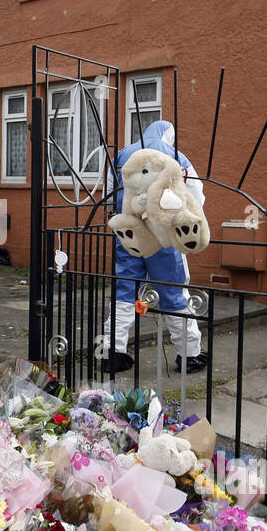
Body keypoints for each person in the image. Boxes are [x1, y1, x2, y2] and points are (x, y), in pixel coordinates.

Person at [102, 119, 209, 374]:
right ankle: (189, 354)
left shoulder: (122, 155)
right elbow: (195, 194)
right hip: (164, 235)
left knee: (124, 292)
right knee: (174, 294)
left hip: (131, 234)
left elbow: (109, 191)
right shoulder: (176, 155)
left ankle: (112, 352)